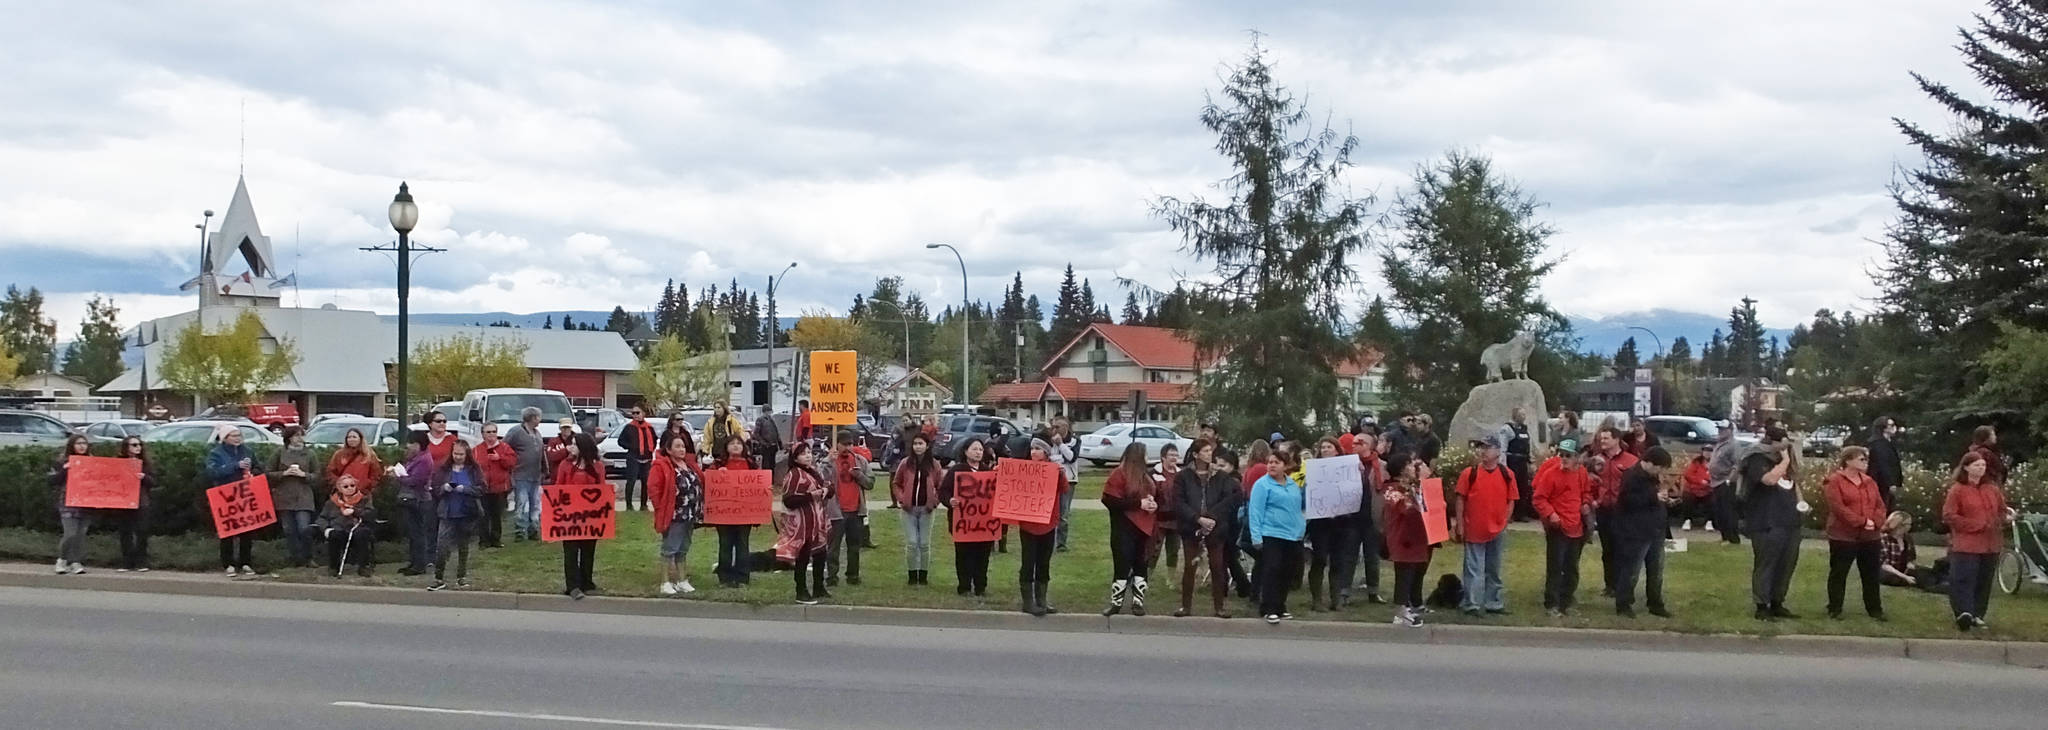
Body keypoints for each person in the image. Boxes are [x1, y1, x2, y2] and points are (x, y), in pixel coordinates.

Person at [1943, 451, 2012, 632]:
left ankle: (1978, 614)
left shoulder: (1992, 489)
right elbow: (1949, 515)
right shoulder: (1958, 490)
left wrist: (2004, 519)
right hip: (1967, 543)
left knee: (1984, 580)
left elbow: (2002, 510)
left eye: (1982, 465)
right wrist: (1974, 525)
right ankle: (1964, 612)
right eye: (1976, 465)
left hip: (1991, 543)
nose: (1981, 468)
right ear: (1966, 467)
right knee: (1964, 578)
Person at [1741, 426, 1803, 621]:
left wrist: (1801, 504)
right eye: (1782, 444)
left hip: (1789, 521)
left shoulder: (1787, 463)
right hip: (1766, 520)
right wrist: (1784, 461)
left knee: (1786, 565)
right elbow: (1768, 480)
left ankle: (1778, 602)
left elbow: (1794, 484)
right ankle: (1762, 604)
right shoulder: (1757, 458)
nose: (1785, 448)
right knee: (1767, 564)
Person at [1173, 439, 1239, 618]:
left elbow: (1228, 500)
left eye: (1211, 450)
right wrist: (1197, 519)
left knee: (1217, 566)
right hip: (1191, 528)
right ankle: (1185, 606)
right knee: (1190, 566)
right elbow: (1179, 502)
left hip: (1215, 529)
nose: (1210, 454)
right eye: (1205, 451)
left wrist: (1211, 518)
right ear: (1195, 455)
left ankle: (1219, 606)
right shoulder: (1183, 476)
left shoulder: (1221, 476)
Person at [1453, 433, 1518, 617]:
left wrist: (1505, 520)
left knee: (1494, 568)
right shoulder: (1469, 473)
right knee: (1473, 568)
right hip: (1474, 527)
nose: (1482, 451)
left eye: (1486, 447)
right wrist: (1460, 524)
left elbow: (1511, 500)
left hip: (1497, 529)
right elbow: (1460, 499)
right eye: (1481, 447)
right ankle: (1471, 603)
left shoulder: (1507, 474)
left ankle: (1493, 602)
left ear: (1497, 451)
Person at [1823, 446, 1887, 621]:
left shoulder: (1869, 481)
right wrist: (1861, 521)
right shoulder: (1835, 481)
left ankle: (1874, 608)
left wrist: (1876, 521)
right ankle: (1835, 607)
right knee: (1839, 572)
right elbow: (1837, 507)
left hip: (1870, 535)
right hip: (1843, 535)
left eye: (1866, 459)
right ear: (1848, 460)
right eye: (1861, 459)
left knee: (1871, 573)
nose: (1865, 462)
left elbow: (1880, 505)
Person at [1611, 446, 1675, 618]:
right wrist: (1653, 498)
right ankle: (1623, 603)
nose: (1661, 472)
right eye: (1660, 467)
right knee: (1632, 570)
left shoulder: (1652, 478)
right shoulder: (1632, 476)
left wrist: (1664, 501)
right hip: (1637, 532)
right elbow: (1627, 501)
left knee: (1656, 571)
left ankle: (1655, 603)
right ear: (1650, 463)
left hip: (1655, 530)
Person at [1532, 438, 1593, 616]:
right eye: (1561, 455)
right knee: (1555, 567)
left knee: (1572, 568)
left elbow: (1587, 492)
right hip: (1558, 527)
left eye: (1568, 455)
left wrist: (1586, 503)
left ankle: (1567, 601)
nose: (1564, 459)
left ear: (1576, 457)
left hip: (1577, 526)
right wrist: (1551, 514)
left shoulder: (1581, 473)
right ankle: (1551, 604)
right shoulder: (1550, 474)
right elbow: (1538, 498)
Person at [1012, 438, 1072, 617]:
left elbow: (1064, 489)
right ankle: (1028, 601)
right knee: (1028, 562)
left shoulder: (1053, 470)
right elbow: (1010, 482)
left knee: (1044, 563)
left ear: (1046, 452)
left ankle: (1042, 599)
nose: (1033, 452)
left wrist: (1061, 474)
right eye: (1032, 449)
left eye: (1037, 449)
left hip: (1048, 523)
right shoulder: (1023, 468)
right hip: (1029, 525)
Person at [1248, 446, 1306, 625]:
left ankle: (1281, 605)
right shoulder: (1262, 485)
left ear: (1285, 466)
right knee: (1272, 570)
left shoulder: (1292, 485)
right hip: (1271, 533)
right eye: (1270, 462)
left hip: (1292, 535)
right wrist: (1256, 536)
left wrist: (1300, 530)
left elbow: (1297, 509)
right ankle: (1269, 607)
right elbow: (1255, 511)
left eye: (1276, 462)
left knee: (1287, 572)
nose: (1272, 465)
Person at [1100, 442, 1159, 616]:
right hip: (1123, 528)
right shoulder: (1119, 475)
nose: (1148, 458)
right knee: (1122, 565)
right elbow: (1109, 501)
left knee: (1142, 565)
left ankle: (1138, 602)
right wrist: (1137, 503)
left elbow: (1155, 496)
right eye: (1145, 454)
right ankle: (1116, 602)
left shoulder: (1146, 476)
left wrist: (1153, 504)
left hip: (1144, 528)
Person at [774, 440, 832, 604]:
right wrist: (810, 496)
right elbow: (789, 500)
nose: (807, 456)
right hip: (802, 523)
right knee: (803, 556)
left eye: (809, 453)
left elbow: (827, 486)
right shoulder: (793, 475)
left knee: (820, 553)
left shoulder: (813, 471)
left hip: (817, 520)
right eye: (803, 454)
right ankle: (801, 591)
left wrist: (827, 490)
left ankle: (819, 587)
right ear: (795, 457)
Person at [940, 437, 998, 596]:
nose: (978, 452)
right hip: (962, 523)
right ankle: (964, 586)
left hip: (983, 524)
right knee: (964, 555)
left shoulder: (988, 472)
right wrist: (950, 501)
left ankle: (980, 586)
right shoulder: (957, 470)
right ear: (965, 451)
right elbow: (943, 491)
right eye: (974, 449)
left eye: (980, 449)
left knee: (983, 556)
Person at [1302, 437, 1355, 612]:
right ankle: (1317, 600)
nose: (1325, 450)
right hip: (1321, 523)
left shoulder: (1347, 469)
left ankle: (1336, 599)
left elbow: (1353, 491)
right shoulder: (1314, 469)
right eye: (1322, 447)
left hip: (1341, 521)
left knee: (1338, 561)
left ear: (1337, 450)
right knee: (1320, 559)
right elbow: (1308, 493)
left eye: (1328, 447)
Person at [649, 434, 705, 596]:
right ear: (668, 449)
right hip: (674, 515)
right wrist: (661, 508)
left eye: (683, 446)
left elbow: (703, 481)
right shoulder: (661, 466)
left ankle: (682, 580)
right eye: (678, 446)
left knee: (683, 548)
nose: (682, 450)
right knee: (670, 548)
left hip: (690, 514)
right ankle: (665, 582)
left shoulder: (690, 465)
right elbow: (654, 489)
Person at [554, 433, 607, 599]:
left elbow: (601, 488)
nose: (571, 447)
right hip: (570, 517)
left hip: (590, 517)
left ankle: (587, 582)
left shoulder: (597, 466)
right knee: (570, 551)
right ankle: (573, 586)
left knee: (588, 551)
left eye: (575, 444)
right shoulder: (566, 465)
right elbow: (558, 487)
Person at [1385, 459, 1436, 627]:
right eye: (1408, 465)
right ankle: (1400, 611)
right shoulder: (1393, 490)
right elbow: (1407, 509)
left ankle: (1407, 607)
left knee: (1413, 572)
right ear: (1401, 471)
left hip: (1415, 538)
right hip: (1403, 538)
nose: (1412, 468)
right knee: (1404, 574)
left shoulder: (1413, 489)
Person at [1590, 426, 1639, 596]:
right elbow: (1590, 483)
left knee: (1622, 549)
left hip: (1623, 511)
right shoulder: (1596, 461)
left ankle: (1622, 585)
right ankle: (1609, 585)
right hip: (1604, 510)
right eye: (1601, 438)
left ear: (1616, 439)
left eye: (1606, 438)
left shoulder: (1631, 461)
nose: (1602, 441)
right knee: (1607, 549)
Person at [206, 425, 259, 578]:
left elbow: (258, 468)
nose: (238, 438)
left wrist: (253, 474)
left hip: (245, 495)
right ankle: (228, 564)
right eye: (233, 436)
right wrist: (235, 466)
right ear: (225, 438)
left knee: (247, 530)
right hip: (226, 497)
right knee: (227, 532)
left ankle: (246, 562)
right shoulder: (216, 453)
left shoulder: (248, 451)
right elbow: (212, 472)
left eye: (239, 435)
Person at [430, 440, 483, 591]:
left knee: (463, 547)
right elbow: (434, 489)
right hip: (447, 513)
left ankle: (461, 577)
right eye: (455, 454)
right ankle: (439, 578)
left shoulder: (473, 469)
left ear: (467, 454)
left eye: (461, 454)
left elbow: (481, 489)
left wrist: (465, 489)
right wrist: (444, 488)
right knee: (442, 546)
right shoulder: (444, 469)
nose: (458, 457)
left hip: (467, 513)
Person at [893, 433, 943, 586]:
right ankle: (912, 575)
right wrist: (902, 498)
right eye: (915, 444)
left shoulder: (934, 465)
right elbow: (896, 483)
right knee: (912, 542)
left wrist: (934, 501)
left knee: (924, 544)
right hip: (909, 509)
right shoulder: (905, 463)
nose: (918, 447)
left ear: (927, 446)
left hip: (926, 509)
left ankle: (923, 575)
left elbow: (941, 486)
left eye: (921, 444)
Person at [823, 431, 872, 586]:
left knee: (854, 546)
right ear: (836, 444)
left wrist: (859, 476)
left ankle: (853, 576)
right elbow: (819, 478)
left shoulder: (860, 461)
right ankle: (832, 576)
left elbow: (870, 483)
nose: (848, 447)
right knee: (833, 547)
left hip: (856, 510)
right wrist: (827, 461)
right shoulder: (830, 461)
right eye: (844, 444)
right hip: (836, 511)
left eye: (850, 444)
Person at [710, 435, 759, 588]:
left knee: (742, 545)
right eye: (732, 443)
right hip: (723, 514)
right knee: (725, 544)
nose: (736, 446)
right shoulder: (718, 464)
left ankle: (742, 578)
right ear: (726, 447)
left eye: (739, 443)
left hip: (744, 514)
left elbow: (759, 485)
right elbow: (709, 482)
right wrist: (718, 474)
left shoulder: (751, 464)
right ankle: (725, 578)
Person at [268, 426, 320, 568]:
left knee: (304, 528)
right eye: (296, 436)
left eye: (302, 435)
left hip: (303, 496)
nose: (300, 438)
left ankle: (308, 557)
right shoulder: (279, 452)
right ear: (289, 437)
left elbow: (317, 475)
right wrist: (284, 473)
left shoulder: (310, 454)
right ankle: (295, 558)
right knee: (289, 530)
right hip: (284, 496)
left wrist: (304, 475)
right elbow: (268, 472)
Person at [1350, 431, 1388, 605]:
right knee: (1349, 556)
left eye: (1357, 443)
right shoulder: (1347, 465)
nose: (1353, 446)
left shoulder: (1382, 466)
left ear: (1367, 446)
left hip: (1373, 517)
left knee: (1372, 556)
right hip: (1352, 518)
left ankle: (1373, 591)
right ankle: (1344, 591)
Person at [48, 435, 95, 575]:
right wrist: (65, 470)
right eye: (78, 443)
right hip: (68, 502)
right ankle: (62, 560)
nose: (82, 446)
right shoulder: (62, 461)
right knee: (70, 534)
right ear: (72, 445)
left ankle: (75, 562)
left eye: (84, 443)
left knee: (80, 535)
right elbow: (52, 480)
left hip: (87, 503)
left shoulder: (92, 462)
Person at [393, 431, 438, 577]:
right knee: (412, 533)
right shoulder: (415, 458)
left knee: (418, 533)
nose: (408, 446)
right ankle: (413, 562)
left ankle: (420, 565)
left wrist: (398, 477)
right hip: (411, 499)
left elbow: (415, 481)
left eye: (411, 443)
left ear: (419, 444)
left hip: (419, 500)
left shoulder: (424, 460)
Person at [317, 475, 377, 577]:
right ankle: (334, 567)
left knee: (361, 534)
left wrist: (355, 512)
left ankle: (364, 567)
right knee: (334, 535)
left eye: (352, 485)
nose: (350, 488)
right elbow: (321, 518)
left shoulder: (364, 500)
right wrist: (327, 529)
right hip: (339, 528)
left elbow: (370, 514)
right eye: (346, 486)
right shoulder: (331, 503)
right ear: (339, 488)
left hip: (357, 528)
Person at [504, 407, 547, 542]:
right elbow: (504, 447)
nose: (540, 419)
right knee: (521, 503)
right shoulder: (516, 432)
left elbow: (541, 452)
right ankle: (520, 531)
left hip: (535, 475)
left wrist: (545, 468)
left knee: (535, 504)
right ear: (533, 418)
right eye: (538, 417)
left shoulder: (537, 433)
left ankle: (533, 530)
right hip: (521, 474)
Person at [113, 436, 155, 572]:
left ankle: (141, 561)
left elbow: (154, 481)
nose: (137, 447)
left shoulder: (145, 463)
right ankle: (127, 562)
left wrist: (144, 477)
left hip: (141, 501)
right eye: (134, 445)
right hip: (124, 500)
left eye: (139, 445)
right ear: (126, 447)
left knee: (142, 532)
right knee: (125, 532)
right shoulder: (119, 462)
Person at [474, 423, 515, 549]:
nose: (491, 435)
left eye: (493, 432)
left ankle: (496, 539)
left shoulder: (505, 448)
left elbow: (512, 463)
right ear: (483, 434)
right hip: (483, 488)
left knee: (497, 515)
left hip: (500, 488)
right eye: (488, 432)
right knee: (483, 515)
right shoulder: (476, 449)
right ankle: (484, 541)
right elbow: (473, 467)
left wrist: (500, 458)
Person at [1705, 428, 1748, 545]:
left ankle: (1733, 538)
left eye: (1724, 430)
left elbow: (1737, 464)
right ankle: (1724, 536)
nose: (1721, 432)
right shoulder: (1719, 443)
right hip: (1715, 481)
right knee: (1719, 510)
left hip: (1726, 482)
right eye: (1720, 429)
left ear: (1730, 430)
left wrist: (1730, 479)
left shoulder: (1734, 445)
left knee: (1728, 510)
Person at [1046, 417, 1080, 552]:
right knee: (1051, 512)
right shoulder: (1050, 441)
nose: (1055, 430)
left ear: (1065, 428)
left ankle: (1061, 543)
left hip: (1069, 479)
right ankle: (1049, 541)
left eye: (1058, 427)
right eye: (1054, 427)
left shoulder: (1075, 441)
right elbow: (1048, 457)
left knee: (1063, 514)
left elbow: (1071, 458)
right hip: (1052, 478)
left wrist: (1061, 445)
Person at [1148, 443, 1182, 576]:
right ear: (1163, 457)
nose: (1174, 458)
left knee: (1173, 550)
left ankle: (1171, 578)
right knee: (1154, 549)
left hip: (1176, 520)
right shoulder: (1153, 473)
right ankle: (1147, 575)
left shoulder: (1181, 474)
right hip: (1158, 519)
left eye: (1176, 455)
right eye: (1171, 455)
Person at [618, 404, 659, 512]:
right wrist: (632, 447)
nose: (635, 415)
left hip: (646, 459)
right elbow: (621, 441)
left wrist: (650, 451)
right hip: (633, 458)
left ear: (643, 414)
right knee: (631, 481)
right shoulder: (629, 427)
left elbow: (654, 440)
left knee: (646, 482)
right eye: (633, 413)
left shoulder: (649, 428)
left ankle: (643, 505)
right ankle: (629, 505)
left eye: (637, 413)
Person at [326, 428, 383, 496]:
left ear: (360, 439)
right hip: (342, 493)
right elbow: (330, 471)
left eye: (354, 437)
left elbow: (375, 474)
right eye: (349, 437)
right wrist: (340, 483)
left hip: (362, 493)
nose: (351, 439)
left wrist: (367, 485)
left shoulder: (369, 455)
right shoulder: (339, 454)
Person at [1878, 511, 1928, 589]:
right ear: (1900, 525)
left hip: (1903, 569)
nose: (1910, 526)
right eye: (1908, 524)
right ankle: (1907, 581)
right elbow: (1885, 565)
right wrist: (1905, 577)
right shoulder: (1884, 538)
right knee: (1889, 577)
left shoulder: (1908, 538)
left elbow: (1911, 559)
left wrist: (1910, 565)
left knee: (1924, 573)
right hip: (1888, 570)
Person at [1865, 416, 1904, 512]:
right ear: (1883, 427)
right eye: (1891, 425)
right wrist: (1890, 483)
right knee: (1883, 508)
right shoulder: (1879, 444)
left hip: (1886, 483)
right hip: (1881, 483)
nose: (1894, 427)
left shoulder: (1888, 443)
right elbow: (1883, 464)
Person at [1505, 407, 1536, 521]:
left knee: (1523, 487)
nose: (1524, 417)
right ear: (1515, 415)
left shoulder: (1524, 429)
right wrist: (1503, 465)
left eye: (1524, 414)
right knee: (1511, 488)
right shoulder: (1508, 429)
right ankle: (1510, 514)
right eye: (1521, 414)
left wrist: (1531, 462)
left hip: (1523, 461)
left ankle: (1521, 513)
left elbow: (1529, 447)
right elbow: (1503, 447)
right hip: (1512, 460)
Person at [1676, 446, 1714, 531]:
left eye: (1710, 451)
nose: (1707, 453)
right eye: (1705, 451)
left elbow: (1716, 475)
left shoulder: (1715, 463)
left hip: (1708, 489)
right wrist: (1700, 481)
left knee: (1713, 499)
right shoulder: (1696, 462)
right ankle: (1687, 520)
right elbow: (1688, 475)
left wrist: (1708, 481)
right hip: (1694, 488)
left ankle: (1709, 521)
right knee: (1687, 496)